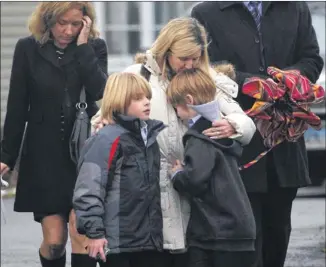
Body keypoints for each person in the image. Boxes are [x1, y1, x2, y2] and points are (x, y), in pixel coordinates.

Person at [91, 17, 256, 266]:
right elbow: (103, 115)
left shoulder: (206, 78)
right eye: (183, 58)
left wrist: (234, 125)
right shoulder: (137, 76)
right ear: (166, 51)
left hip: (193, 189)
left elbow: (245, 122)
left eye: (196, 58)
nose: (189, 65)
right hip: (151, 193)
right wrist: (102, 123)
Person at [191, 2, 324, 267]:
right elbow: (205, 66)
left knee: (278, 233)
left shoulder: (295, 8)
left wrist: (287, 80)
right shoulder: (205, 12)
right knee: (245, 239)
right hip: (237, 143)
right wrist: (254, 84)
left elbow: (312, 59)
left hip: (284, 143)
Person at [0, 2, 108, 267]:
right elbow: (17, 105)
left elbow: (100, 92)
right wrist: (6, 156)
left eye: (76, 24)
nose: (69, 30)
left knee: (81, 231)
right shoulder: (27, 48)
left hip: (83, 151)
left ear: (86, 23)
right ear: (48, 20)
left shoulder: (94, 48)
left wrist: (83, 47)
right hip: (43, 153)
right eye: (63, 23)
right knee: (54, 241)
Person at [73, 72, 166, 267]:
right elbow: (89, 190)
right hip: (118, 244)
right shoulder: (106, 140)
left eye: (148, 97)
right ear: (120, 101)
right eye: (138, 98)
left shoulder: (149, 138)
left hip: (148, 242)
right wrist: (95, 233)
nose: (147, 102)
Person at [166, 68, 256, 267]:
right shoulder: (222, 130)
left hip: (217, 233)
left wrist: (177, 174)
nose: (176, 113)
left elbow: (195, 179)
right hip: (239, 230)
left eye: (175, 107)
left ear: (188, 100)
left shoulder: (199, 138)